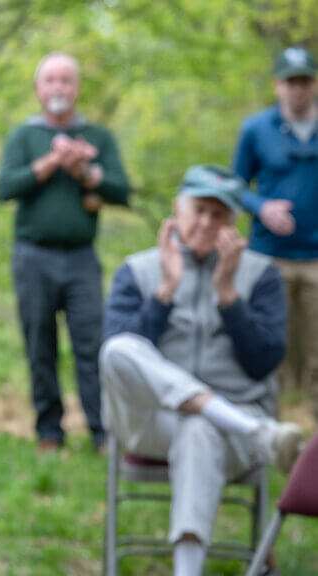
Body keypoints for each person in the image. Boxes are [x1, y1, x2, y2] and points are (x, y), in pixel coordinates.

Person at [100, 165, 305, 576]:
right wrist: (165, 292)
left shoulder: (261, 274)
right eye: (199, 211)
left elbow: (263, 363)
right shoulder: (137, 270)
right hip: (151, 422)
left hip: (229, 431)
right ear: (177, 210)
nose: (207, 223)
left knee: (200, 429)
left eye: (219, 215)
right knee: (118, 349)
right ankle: (252, 429)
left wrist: (228, 295)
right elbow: (119, 362)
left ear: (234, 223)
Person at [0, 51, 130, 452]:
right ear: (38, 89)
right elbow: (6, 187)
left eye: (66, 80)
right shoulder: (24, 136)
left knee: (92, 344)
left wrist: (84, 171)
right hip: (32, 255)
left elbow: (121, 190)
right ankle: (49, 431)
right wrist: (55, 160)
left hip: (81, 257)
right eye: (50, 80)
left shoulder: (98, 137)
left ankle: (101, 431)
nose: (58, 87)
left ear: (77, 88)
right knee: (40, 343)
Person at [233, 46, 318, 425]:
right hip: (269, 257)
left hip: (315, 259)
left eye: (304, 81)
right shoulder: (256, 129)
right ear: (278, 86)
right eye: (290, 82)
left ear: (314, 84)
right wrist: (261, 206)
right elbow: (235, 185)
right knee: (270, 348)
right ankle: (269, 433)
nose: (297, 89)